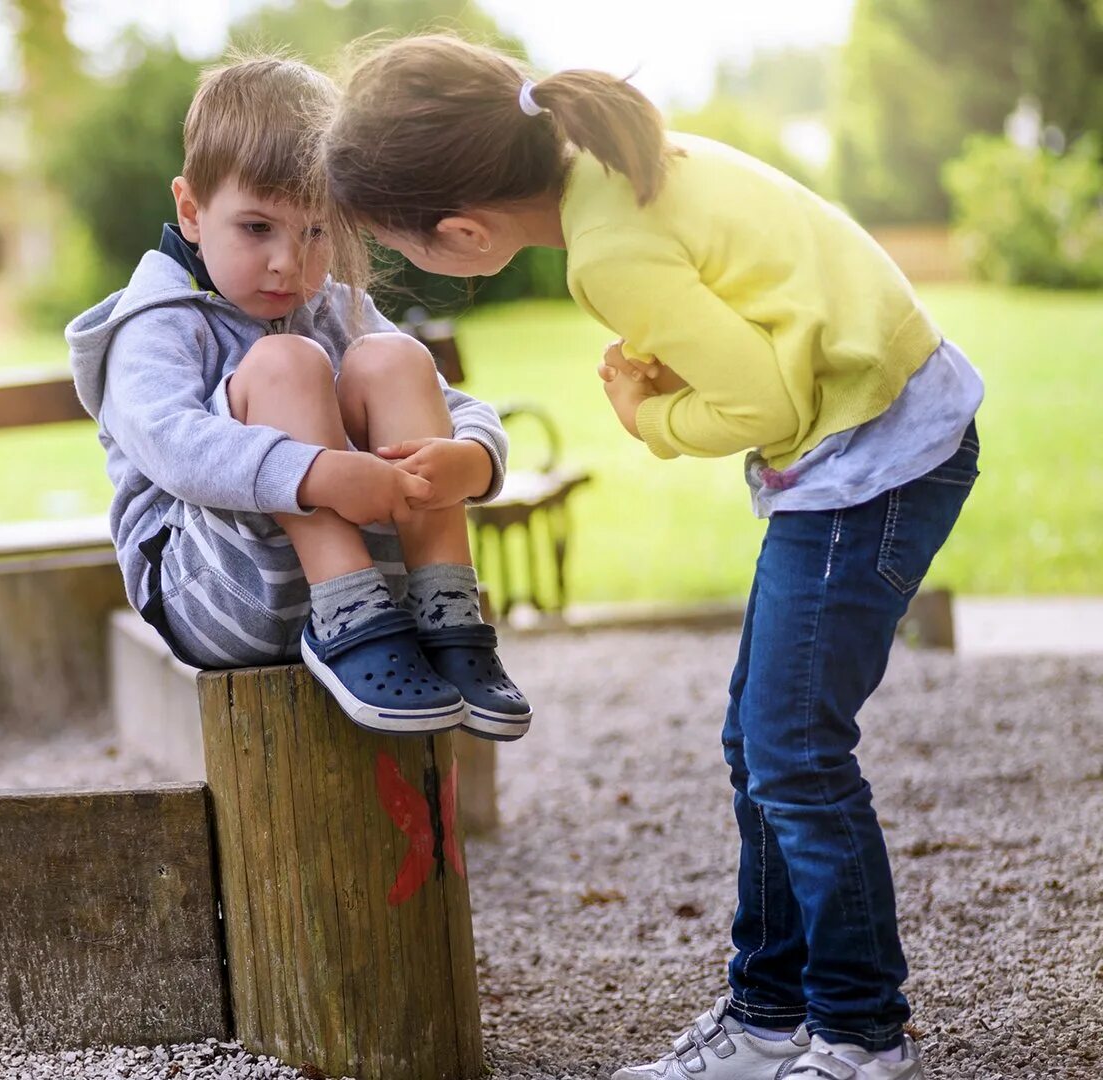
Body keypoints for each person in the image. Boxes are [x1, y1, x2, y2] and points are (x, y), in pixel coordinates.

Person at [321, 33, 983, 1080]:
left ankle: (862, 1032)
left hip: (878, 460)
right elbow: (765, 305)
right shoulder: (613, 161)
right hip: (881, 427)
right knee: (760, 740)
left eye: (405, 252)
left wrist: (649, 415)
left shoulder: (608, 251)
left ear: (462, 230)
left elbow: (763, 403)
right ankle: (767, 1015)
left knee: (794, 750)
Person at [66, 53, 532, 739]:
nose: (290, 261)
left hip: (384, 601)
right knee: (285, 363)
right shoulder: (156, 323)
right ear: (192, 210)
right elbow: (171, 445)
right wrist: (314, 474)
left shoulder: (336, 306)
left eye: (316, 231)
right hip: (218, 591)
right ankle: (349, 616)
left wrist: (474, 457)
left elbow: (446, 400)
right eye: (258, 229)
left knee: (394, 357)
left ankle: (448, 611)